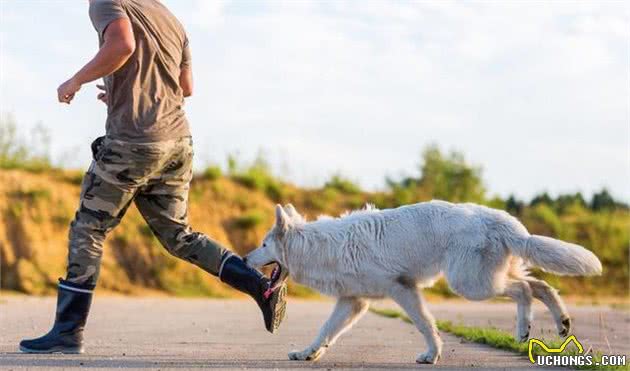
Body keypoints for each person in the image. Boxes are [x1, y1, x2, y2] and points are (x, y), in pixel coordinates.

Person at [19, 0, 287, 354]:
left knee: (89, 228)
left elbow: (123, 45)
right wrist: (120, 91)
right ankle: (259, 287)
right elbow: (185, 86)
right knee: (179, 235)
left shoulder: (106, 2)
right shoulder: (169, 16)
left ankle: (67, 332)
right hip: (177, 143)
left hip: (134, 143)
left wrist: (77, 80)